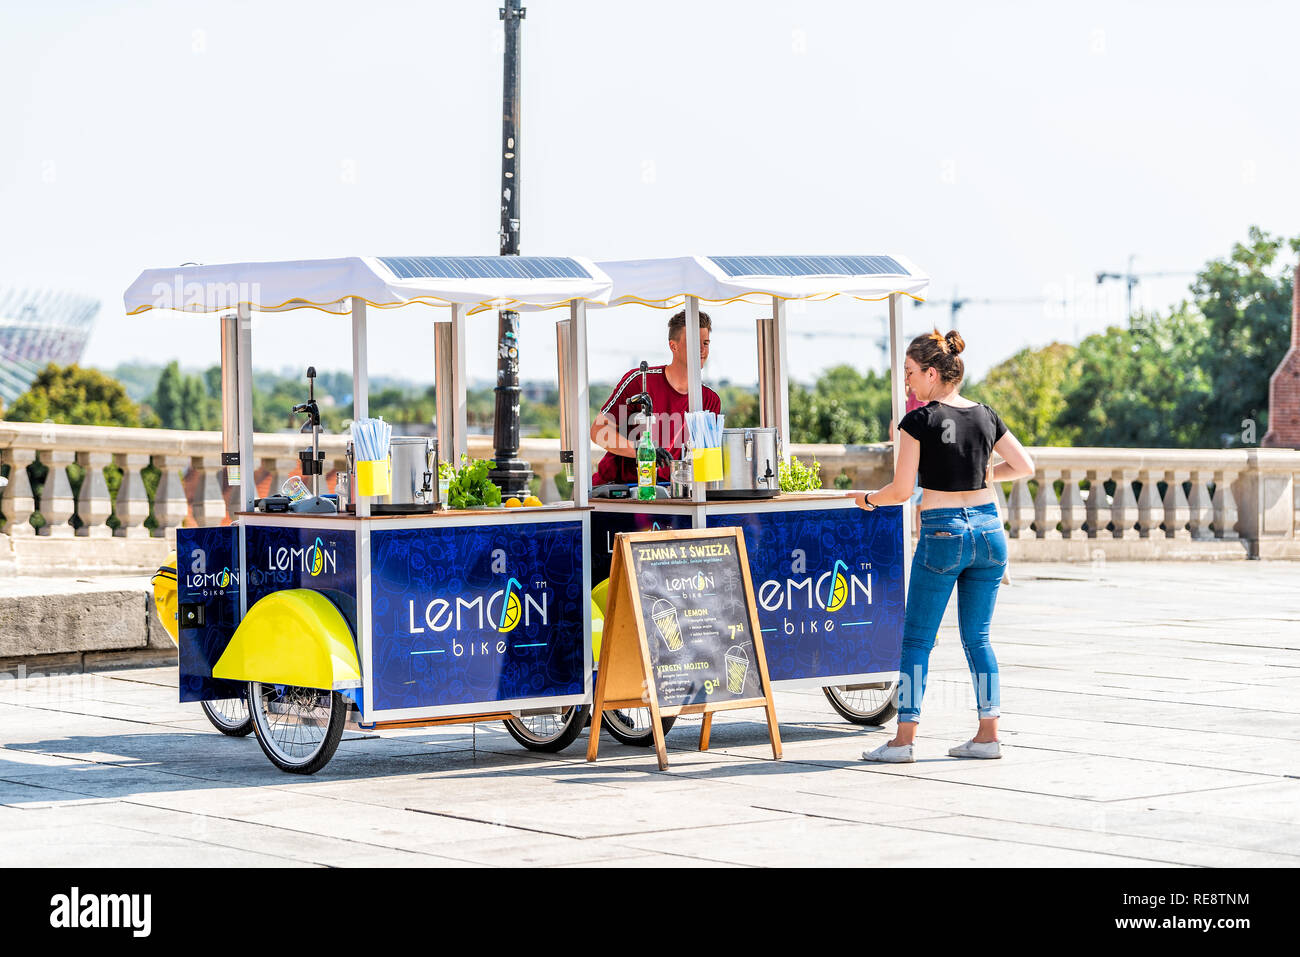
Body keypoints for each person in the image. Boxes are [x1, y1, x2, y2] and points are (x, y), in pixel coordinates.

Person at [852, 329, 1034, 763]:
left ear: (932, 373)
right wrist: (986, 474)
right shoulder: (986, 414)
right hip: (989, 533)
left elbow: (900, 490)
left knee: (917, 641)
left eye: (911, 374)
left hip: (943, 533)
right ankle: (988, 735)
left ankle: (903, 741)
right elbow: (1025, 465)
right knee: (979, 638)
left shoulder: (919, 421)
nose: (908, 384)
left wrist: (868, 499)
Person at [590, 309, 721, 486]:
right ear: (673, 346)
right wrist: (641, 451)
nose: (702, 350)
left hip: (671, 493)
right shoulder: (640, 381)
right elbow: (598, 431)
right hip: (619, 489)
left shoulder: (710, 400)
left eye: (705, 343)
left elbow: (705, 462)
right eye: (694, 343)